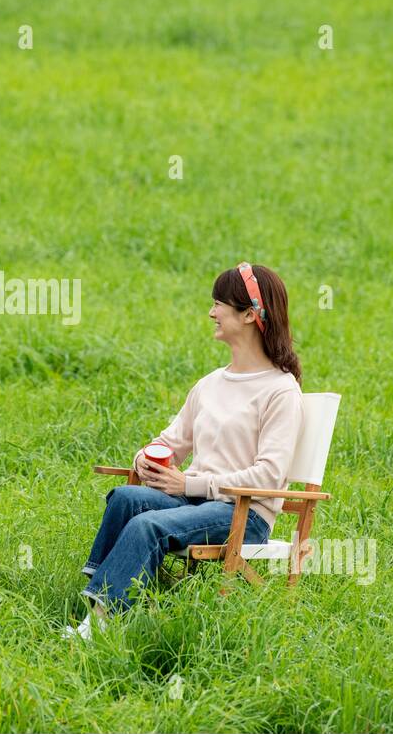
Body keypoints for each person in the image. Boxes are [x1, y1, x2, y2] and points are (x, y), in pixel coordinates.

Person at [66, 263, 305, 638]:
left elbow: (269, 475)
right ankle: (96, 606)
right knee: (126, 498)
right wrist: (147, 459)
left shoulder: (281, 391)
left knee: (148, 524)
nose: (211, 313)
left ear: (248, 314)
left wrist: (190, 484)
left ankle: (99, 625)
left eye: (218, 305)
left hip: (244, 516)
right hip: (196, 505)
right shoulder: (210, 384)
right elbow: (170, 441)